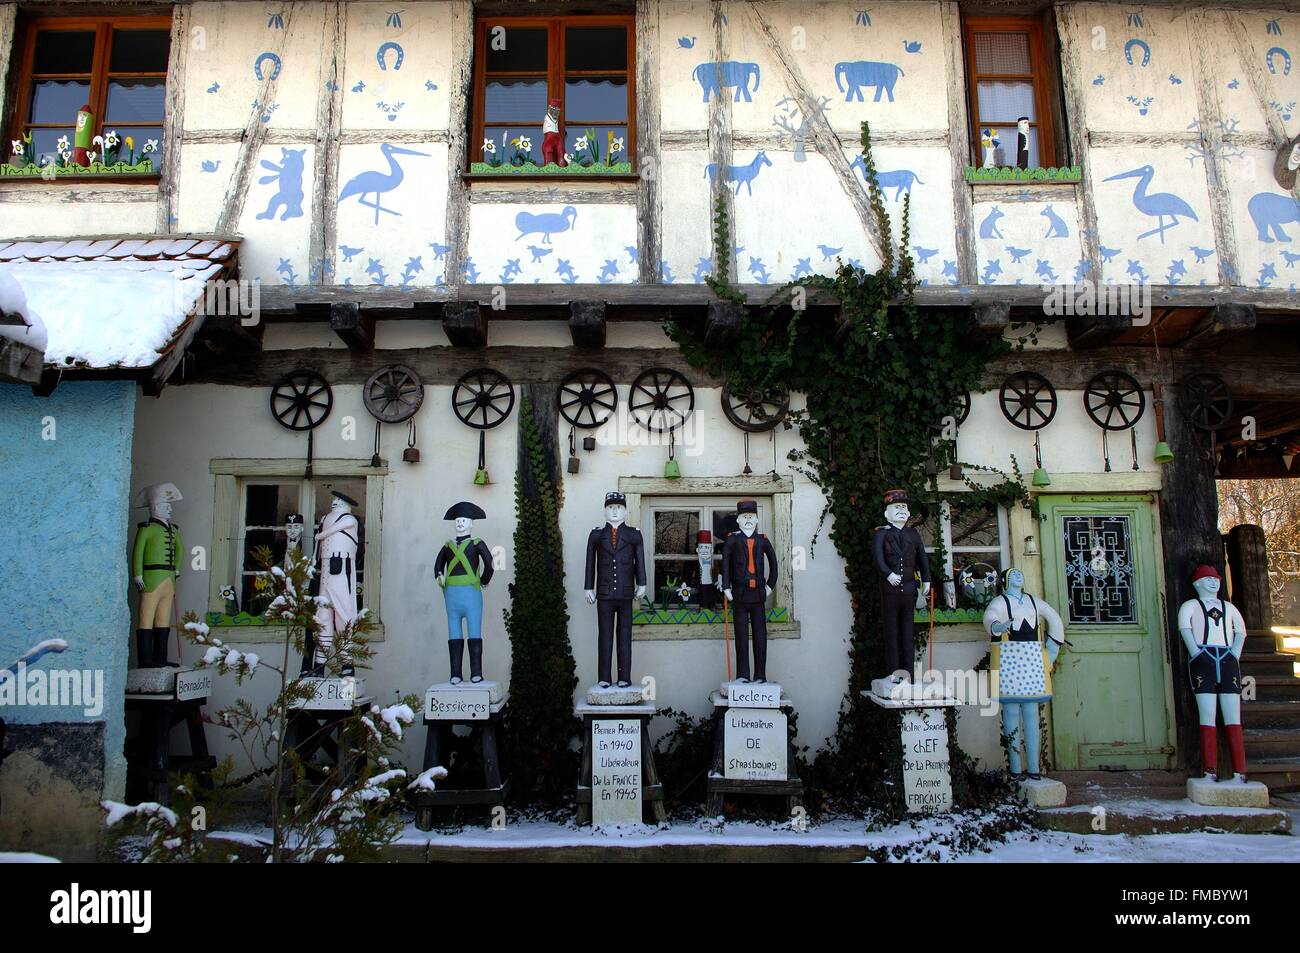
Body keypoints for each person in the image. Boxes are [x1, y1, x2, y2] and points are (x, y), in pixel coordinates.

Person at [982, 568, 1066, 779]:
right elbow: (989, 617)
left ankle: (1034, 767)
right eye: (1013, 574)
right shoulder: (1000, 602)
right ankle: (1016, 766)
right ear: (1005, 580)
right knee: (1010, 713)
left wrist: (1053, 647)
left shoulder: (1033, 601)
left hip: (1032, 661)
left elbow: (1054, 618)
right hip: (1008, 661)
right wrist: (998, 626)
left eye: (1021, 573)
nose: (1019, 576)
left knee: (1031, 715)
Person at [1178, 565, 1248, 782]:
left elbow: (1241, 631)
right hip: (1204, 657)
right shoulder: (1191, 605)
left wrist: (1234, 654)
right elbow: (1185, 627)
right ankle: (1210, 771)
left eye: (1216, 579)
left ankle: (1240, 772)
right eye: (1207, 579)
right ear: (1197, 584)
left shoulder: (1228, 607)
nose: (1213, 582)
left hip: (1226, 659)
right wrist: (1196, 652)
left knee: (1233, 716)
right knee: (1207, 715)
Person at [584, 491, 646, 688]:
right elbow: (590, 563)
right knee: (605, 636)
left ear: (625, 511)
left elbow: (640, 561)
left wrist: (642, 583)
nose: (614, 512)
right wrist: (588, 587)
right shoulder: (596, 535)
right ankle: (604, 677)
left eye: (618, 507)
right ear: (604, 510)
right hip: (604, 593)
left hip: (626, 593)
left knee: (625, 636)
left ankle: (624, 677)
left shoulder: (634, 534)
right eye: (610, 507)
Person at [872, 488, 930, 682]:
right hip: (890, 591)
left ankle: (909, 674)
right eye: (897, 507)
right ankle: (894, 673)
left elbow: (922, 559)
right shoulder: (881, 535)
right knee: (892, 633)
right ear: (887, 513)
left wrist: (927, 580)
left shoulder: (913, 534)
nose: (901, 510)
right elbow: (879, 559)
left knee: (907, 633)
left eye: (904, 507)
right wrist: (888, 575)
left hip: (909, 589)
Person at [435, 501, 495, 684]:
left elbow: (490, 563)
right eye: (458, 520)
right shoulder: (447, 546)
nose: (460, 523)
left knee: (474, 632)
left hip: (471, 593)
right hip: (451, 594)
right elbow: (438, 565)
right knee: (454, 633)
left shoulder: (477, 543)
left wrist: (483, 581)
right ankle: (455, 673)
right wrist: (439, 576)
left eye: (464, 520)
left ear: (471, 523)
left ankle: (476, 672)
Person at [721, 501, 778, 682]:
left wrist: (770, 586)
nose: (748, 520)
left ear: (757, 519)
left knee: (760, 636)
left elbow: (774, 564)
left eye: (751, 517)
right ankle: (743, 674)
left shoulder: (763, 540)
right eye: (744, 517)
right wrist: (726, 586)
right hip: (739, 593)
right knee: (741, 636)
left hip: (758, 594)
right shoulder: (732, 540)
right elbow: (725, 564)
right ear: (738, 520)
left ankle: (760, 674)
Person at [131, 482, 183, 668]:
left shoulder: (173, 530)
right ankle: (145, 660)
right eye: (165, 505)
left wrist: (177, 567)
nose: (169, 509)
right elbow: (138, 552)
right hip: (151, 578)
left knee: (163, 619)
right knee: (146, 618)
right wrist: (138, 574)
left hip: (168, 579)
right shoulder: (146, 529)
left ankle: (160, 658)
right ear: (155, 507)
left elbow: (180, 549)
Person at [310, 490, 361, 676]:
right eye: (334, 499)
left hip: (341, 569)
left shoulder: (349, 519)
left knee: (343, 616)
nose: (335, 502)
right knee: (323, 617)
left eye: (339, 500)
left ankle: (347, 664)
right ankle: (319, 665)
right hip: (325, 571)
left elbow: (330, 532)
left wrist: (321, 534)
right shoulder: (326, 518)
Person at [541, 98, 568, 168]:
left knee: (561, 153)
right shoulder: (548, 118)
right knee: (548, 151)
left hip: (557, 136)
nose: (555, 111)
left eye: (557, 109)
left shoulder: (555, 118)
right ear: (550, 108)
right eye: (554, 108)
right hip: (549, 137)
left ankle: (562, 168)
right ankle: (549, 169)